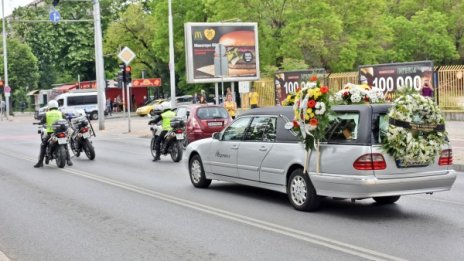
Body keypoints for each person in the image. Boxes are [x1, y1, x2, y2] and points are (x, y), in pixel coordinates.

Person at [34, 100, 73, 168]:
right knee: (65, 144)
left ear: (49, 106)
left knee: (43, 145)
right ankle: (69, 160)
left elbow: (42, 122)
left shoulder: (47, 114)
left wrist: (40, 123)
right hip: (61, 132)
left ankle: (40, 162)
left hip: (51, 132)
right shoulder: (61, 113)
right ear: (57, 106)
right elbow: (66, 120)